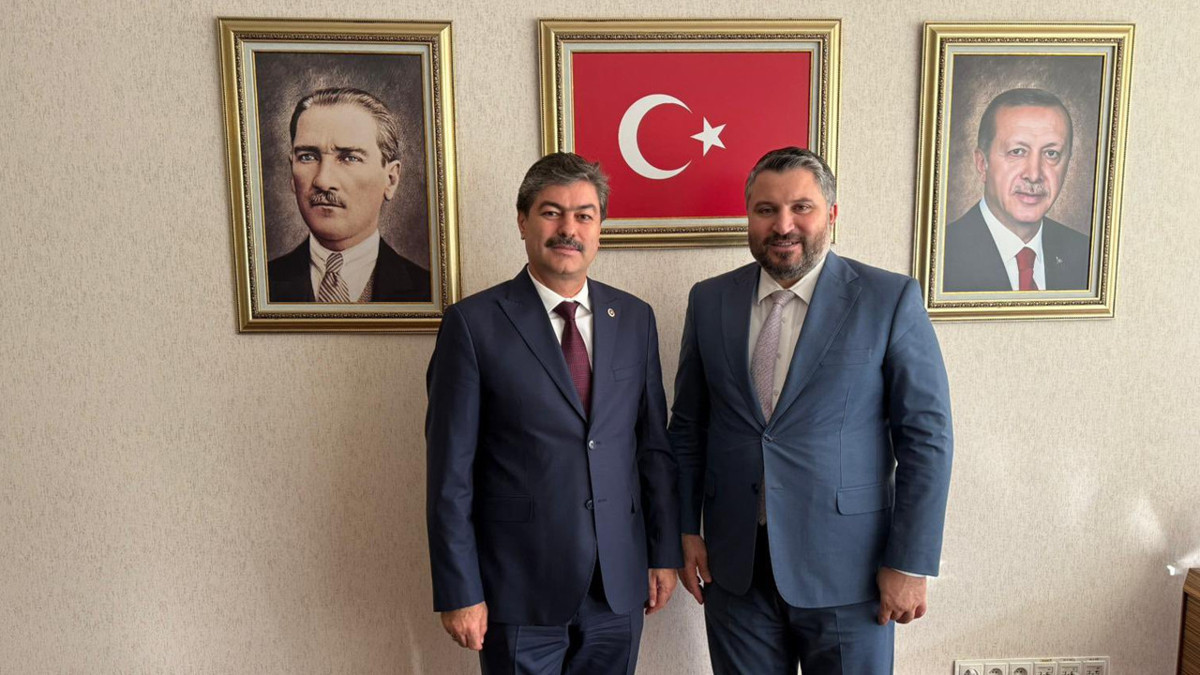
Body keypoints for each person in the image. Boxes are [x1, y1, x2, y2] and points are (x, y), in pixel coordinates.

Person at [670, 147, 954, 673]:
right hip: (735, 569)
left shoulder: (888, 299)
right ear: (748, 215)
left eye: (802, 207)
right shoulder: (709, 300)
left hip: (851, 571)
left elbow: (926, 439)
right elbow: (688, 428)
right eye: (766, 210)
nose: (783, 225)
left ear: (832, 214)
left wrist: (910, 562)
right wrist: (685, 530)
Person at [426, 152, 681, 674]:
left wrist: (663, 553)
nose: (569, 229)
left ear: (599, 229)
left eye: (584, 215)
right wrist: (459, 589)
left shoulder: (635, 318)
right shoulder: (473, 324)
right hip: (517, 589)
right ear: (523, 221)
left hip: (617, 587)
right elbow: (450, 473)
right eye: (551, 212)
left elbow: (652, 449)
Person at [267, 87, 431, 303]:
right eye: (307, 157)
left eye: (350, 158)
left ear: (391, 179)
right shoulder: (261, 287)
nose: (323, 181)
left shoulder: (429, 292)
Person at [943, 88, 1091, 292]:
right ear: (982, 164)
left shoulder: (1087, 256)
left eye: (1051, 153)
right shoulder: (942, 255)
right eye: (1017, 152)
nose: (1034, 174)